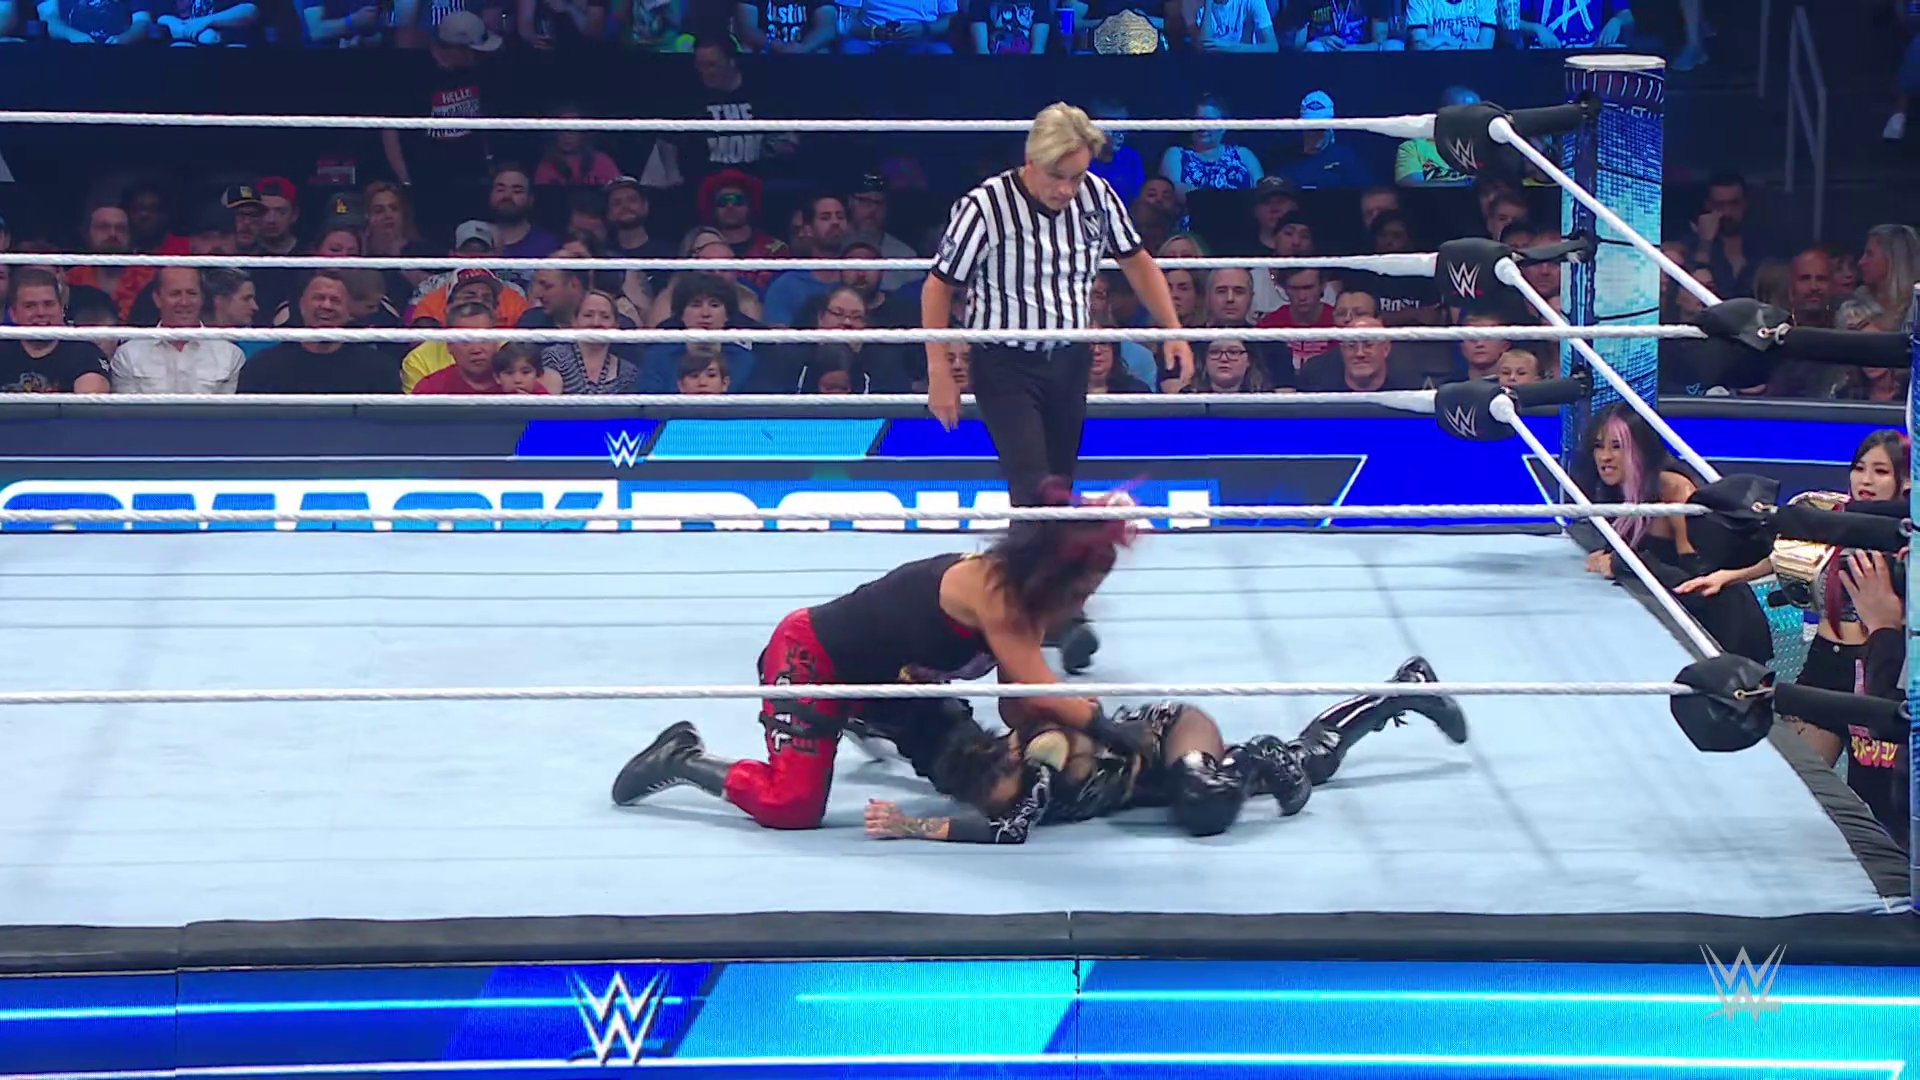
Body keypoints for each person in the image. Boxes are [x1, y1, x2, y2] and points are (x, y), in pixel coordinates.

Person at [609, 478, 1136, 832]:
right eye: (1082, 589)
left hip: (900, 689)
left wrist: (1045, 740)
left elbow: (1016, 703)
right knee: (792, 807)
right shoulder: (994, 591)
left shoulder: (1031, 606)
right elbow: (1038, 688)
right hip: (815, 662)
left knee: (994, 787)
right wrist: (1103, 726)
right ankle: (681, 757)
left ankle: (865, 719)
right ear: (1056, 573)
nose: (1083, 603)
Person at [922, 102, 1190, 673]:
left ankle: (1020, 610)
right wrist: (940, 368)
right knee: (1034, 492)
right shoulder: (985, 206)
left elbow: (1138, 261)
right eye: (1057, 176)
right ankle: (1055, 616)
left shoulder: (1096, 197)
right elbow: (938, 285)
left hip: (1069, 359)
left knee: (1058, 490)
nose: (1067, 189)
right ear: (1031, 160)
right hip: (1003, 362)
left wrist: (1173, 330)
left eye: (1076, 175)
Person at [866, 658, 1468, 842]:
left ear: (1008, 757)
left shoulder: (1040, 749)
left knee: (1206, 802)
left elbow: (1015, 826)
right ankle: (1401, 690)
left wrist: (913, 827)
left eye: (1005, 788)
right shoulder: (986, 787)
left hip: (1167, 736)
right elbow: (1001, 819)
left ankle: (1253, 756)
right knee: (1311, 762)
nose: (1008, 802)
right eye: (992, 801)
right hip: (1147, 785)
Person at [1677, 430, 1910, 766]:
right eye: (1859, 469)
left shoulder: (1908, 541)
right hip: (1824, 662)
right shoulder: (1830, 514)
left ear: (1906, 480)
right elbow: (1783, 553)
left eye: (1881, 471)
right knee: (1805, 775)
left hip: (1875, 669)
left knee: (1869, 785)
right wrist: (1728, 576)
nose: (1866, 480)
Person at [1573, 403, 1772, 665]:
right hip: (1677, 625)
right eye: (1599, 446)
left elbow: (1697, 583)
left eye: (1617, 446)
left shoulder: (1674, 490)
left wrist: (1625, 563)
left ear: (1641, 449)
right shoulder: (1615, 490)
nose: (1605, 457)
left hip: (1722, 628)